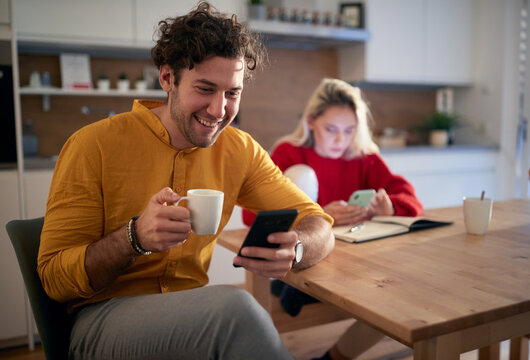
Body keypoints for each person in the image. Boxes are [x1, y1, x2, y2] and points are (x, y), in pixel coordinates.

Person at [38, 3, 334, 359]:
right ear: (167, 78)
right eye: (205, 89)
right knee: (236, 312)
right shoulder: (93, 145)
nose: (219, 110)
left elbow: (318, 222)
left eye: (232, 93)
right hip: (100, 322)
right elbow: (54, 280)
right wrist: (135, 237)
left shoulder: (240, 150)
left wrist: (297, 248)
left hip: (189, 314)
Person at [243, 78, 423, 360]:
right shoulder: (290, 153)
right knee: (388, 297)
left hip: (355, 266)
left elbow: (411, 199)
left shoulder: (363, 157)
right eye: (332, 129)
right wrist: (317, 216)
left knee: (400, 295)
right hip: (302, 264)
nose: (341, 139)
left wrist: (390, 208)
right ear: (311, 122)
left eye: (349, 130)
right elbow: (250, 213)